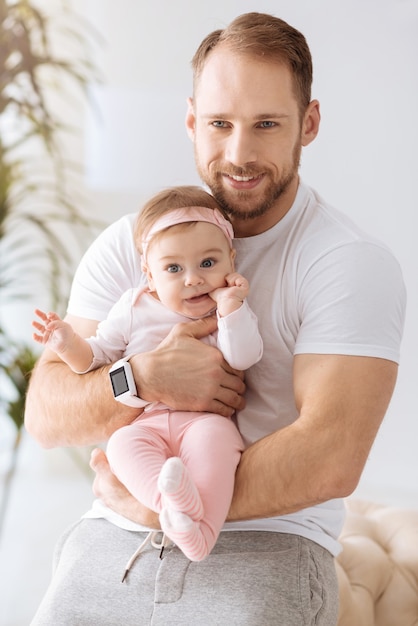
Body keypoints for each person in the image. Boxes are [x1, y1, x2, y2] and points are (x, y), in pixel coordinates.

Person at [25, 11, 406, 626]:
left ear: (308, 124)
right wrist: (141, 379)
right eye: (219, 123)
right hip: (113, 534)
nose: (239, 153)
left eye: (266, 124)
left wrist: (167, 507)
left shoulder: (348, 262)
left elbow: (331, 456)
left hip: (271, 539)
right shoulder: (133, 245)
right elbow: (46, 412)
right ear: (190, 120)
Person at [31, 186, 263, 570]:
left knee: (218, 448)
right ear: (149, 276)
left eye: (208, 263)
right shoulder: (134, 306)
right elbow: (96, 357)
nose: (193, 279)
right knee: (121, 446)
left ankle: (199, 535)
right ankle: (171, 504)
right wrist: (66, 342)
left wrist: (232, 309)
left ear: (231, 260)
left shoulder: (229, 310)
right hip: (147, 422)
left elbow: (243, 355)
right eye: (174, 269)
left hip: (206, 422)